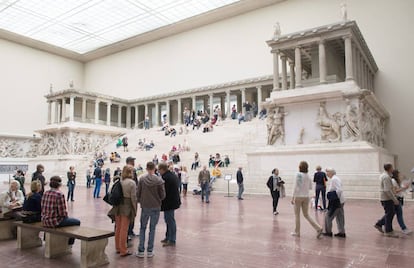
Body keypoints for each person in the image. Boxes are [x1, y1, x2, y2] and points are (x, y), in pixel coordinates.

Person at [136, 162, 166, 258]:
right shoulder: (159, 180)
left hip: (145, 206)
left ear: (146, 168)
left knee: (142, 228)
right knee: (152, 229)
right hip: (155, 206)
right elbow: (163, 195)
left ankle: (141, 250)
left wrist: (141, 200)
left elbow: (138, 193)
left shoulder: (142, 179)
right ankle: (150, 250)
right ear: (155, 168)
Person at [41, 176, 81, 245]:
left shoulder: (45, 193)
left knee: (51, 216)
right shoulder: (59, 194)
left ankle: (46, 238)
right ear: (59, 184)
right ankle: (69, 243)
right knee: (77, 222)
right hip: (54, 222)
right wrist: (66, 217)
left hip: (44, 220)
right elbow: (62, 213)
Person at [108, 165, 137, 257]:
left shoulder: (120, 181)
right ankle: (123, 249)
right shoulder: (131, 183)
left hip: (118, 206)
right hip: (127, 206)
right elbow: (133, 198)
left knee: (118, 228)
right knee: (124, 229)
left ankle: (118, 247)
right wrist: (135, 209)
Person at [291, 161, 323, 238]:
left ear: (300, 167)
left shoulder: (297, 175)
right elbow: (310, 187)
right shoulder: (308, 176)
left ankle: (297, 232)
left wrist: (292, 197)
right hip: (306, 197)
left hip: (298, 196)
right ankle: (318, 228)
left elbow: (295, 187)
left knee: (297, 215)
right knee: (306, 215)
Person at [374, 163, 400, 237]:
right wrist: (394, 199)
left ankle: (379, 224)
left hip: (386, 198)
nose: (393, 169)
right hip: (386, 198)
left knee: (390, 212)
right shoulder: (386, 177)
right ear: (389, 168)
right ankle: (388, 230)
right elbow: (387, 190)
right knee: (390, 213)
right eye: (392, 167)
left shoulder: (384, 175)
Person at [158, 163, 181, 247]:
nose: (158, 172)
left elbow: (164, 192)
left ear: (162, 169)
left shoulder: (166, 178)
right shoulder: (171, 175)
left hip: (169, 202)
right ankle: (168, 237)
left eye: (159, 170)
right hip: (172, 202)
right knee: (168, 220)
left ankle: (172, 239)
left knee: (170, 220)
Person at [323, 168, 346, 238]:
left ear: (331, 172)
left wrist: (332, 197)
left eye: (327, 172)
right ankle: (342, 232)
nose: (326, 174)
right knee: (340, 216)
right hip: (340, 200)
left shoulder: (334, 179)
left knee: (328, 216)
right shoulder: (336, 178)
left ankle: (328, 232)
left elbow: (339, 190)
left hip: (336, 201)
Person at [391, 170, 412, 235]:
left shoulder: (398, 181)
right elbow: (395, 191)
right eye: (399, 174)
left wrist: (405, 187)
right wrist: (403, 188)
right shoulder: (393, 181)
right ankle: (404, 228)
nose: (400, 175)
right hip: (397, 199)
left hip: (400, 198)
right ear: (396, 174)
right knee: (399, 214)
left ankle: (380, 223)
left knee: (392, 214)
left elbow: (400, 189)